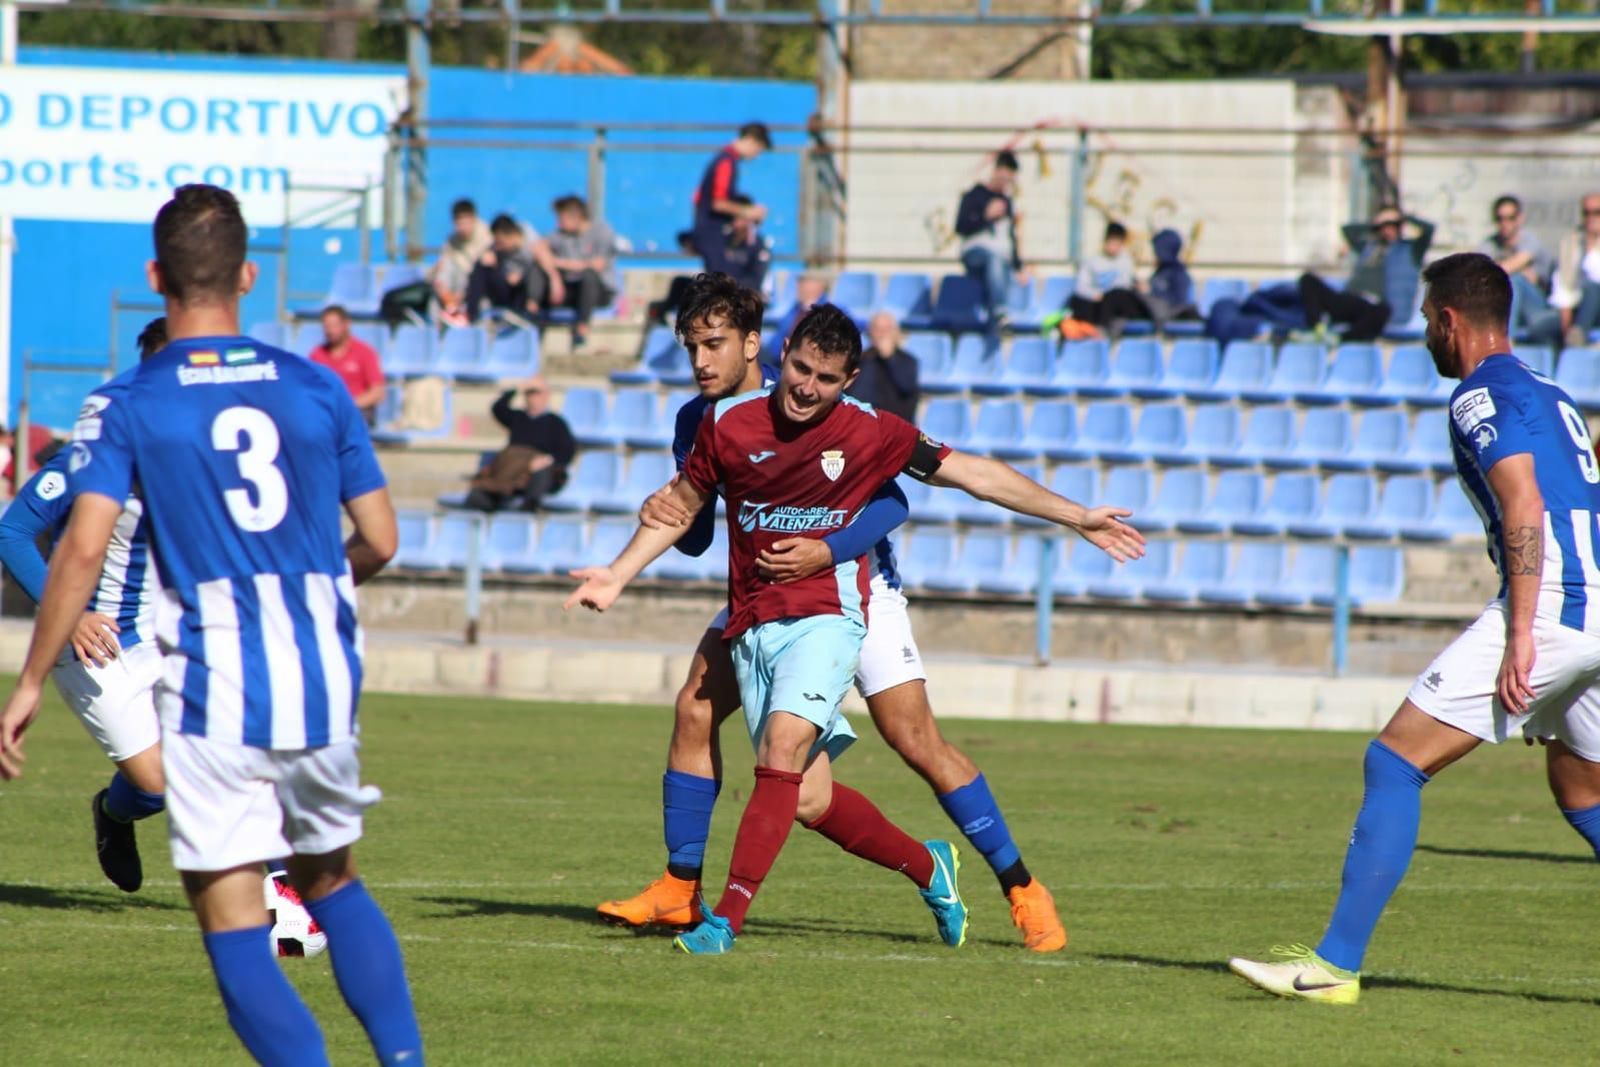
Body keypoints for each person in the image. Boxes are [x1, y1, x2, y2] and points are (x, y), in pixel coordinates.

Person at [573, 299, 1145, 955]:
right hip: (763, 594)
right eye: (692, 346)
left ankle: (1022, 886)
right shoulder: (707, 422)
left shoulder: (848, 420)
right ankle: (685, 885)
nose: (702, 360)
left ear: (752, 345)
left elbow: (916, 492)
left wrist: (1074, 515)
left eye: (715, 344)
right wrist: (632, 553)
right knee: (765, 763)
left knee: (913, 739)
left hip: (855, 591)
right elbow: (696, 528)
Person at [0, 184, 423, 1063]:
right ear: (250, 276)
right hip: (319, 658)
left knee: (233, 916)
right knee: (332, 880)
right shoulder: (315, 383)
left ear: (156, 275)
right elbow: (381, 538)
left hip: (211, 669)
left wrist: (31, 679)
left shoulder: (131, 402)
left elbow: (77, 549)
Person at [1229, 252, 1600, 1005]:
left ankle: (1332, 965)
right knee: (1580, 781)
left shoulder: (1478, 395)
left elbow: (1524, 505)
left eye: (1428, 320)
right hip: (1595, 603)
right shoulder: (1551, 389)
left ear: (1449, 320)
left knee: (1395, 760)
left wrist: (1525, 633)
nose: (1424, 333)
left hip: (1555, 606)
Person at [0, 317, 168, 894]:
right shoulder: (95, 452)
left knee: (233, 759)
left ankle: (282, 898)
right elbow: (13, 530)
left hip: (170, 632)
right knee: (157, 786)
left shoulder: (201, 450)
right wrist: (68, 614)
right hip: (93, 643)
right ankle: (115, 814)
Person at [1299, 204, 1434, 342]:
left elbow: (1429, 229)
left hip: (1377, 306)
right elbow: (1348, 231)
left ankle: (1340, 339)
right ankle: (1317, 329)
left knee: (1381, 312)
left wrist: (1404, 217)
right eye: (1384, 226)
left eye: (1392, 225)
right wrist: (1375, 224)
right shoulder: (1369, 247)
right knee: (1308, 280)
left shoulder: (1411, 250)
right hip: (1351, 300)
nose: (1387, 229)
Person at [464, 376, 576, 513]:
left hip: (537, 471)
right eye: (528, 392)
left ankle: (528, 512)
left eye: (536, 392)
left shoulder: (556, 423)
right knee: (482, 492)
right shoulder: (518, 418)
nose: (532, 397)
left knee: (541, 474)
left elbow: (567, 451)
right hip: (514, 467)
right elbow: (498, 408)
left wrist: (547, 460)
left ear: (546, 395)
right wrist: (516, 389)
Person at [956, 150, 1027, 331]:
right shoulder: (974, 195)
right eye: (1004, 177)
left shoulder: (1007, 202)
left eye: (1009, 180)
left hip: (1000, 255)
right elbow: (961, 227)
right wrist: (985, 216)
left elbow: (1011, 237)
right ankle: (1001, 312)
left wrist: (1019, 267)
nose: (1006, 183)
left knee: (1002, 263)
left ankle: (996, 322)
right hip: (975, 251)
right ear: (996, 171)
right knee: (994, 258)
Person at [691, 122, 771, 277]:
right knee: (723, 284)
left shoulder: (723, 159)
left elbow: (698, 197)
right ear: (750, 140)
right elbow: (718, 202)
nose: (757, 155)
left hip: (708, 231)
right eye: (758, 148)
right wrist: (748, 212)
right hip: (712, 232)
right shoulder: (727, 162)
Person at [1479, 194, 1558, 344]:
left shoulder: (1530, 241)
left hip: (1537, 308)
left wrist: (1504, 268)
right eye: (1500, 218)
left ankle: (1505, 341)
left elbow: (1505, 269)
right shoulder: (1489, 244)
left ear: (1520, 218)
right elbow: (1479, 274)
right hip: (1504, 306)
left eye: (1510, 218)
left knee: (1514, 281)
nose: (1505, 223)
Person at [543, 195, 617, 348]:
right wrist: (554, 277)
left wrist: (560, 262)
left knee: (589, 277)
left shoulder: (602, 231)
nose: (558, 223)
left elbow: (597, 265)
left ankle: (582, 326)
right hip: (572, 288)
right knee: (538, 273)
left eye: (561, 219)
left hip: (599, 291)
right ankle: (531, 316)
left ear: (576, 217)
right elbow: (538, 247)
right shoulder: (560, 235)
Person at [465, 213, 563, 324]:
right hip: (506, 288)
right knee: (481, 265)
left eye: (500, 242)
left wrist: (555, 281)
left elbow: (546, 263)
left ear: (510, 235)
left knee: (535, 270)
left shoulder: (531, 243)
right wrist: (490, 259)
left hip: (525, 290)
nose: (498, 246)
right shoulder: (497, 248)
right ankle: (471, 316)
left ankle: (530, 311)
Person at [308, 305, 385, 423]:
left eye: (335, 325)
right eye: (327, 326)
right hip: (327, 412)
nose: (331, 331)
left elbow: (377, 392)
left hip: (357, 412)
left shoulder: (364, 352)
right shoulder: (317, 354)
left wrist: (349, 406)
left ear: (346, 324)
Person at [1069, 221, 1152, 330]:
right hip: (1100, 302)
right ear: (1105, 242)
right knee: (1077, 302)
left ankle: (1103, 329)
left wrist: (1142, 287)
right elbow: (1080, 287)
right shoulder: (1092, 262)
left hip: (1120, 304)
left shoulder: (1126, 262)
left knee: (1117, 295)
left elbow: (1127, 286)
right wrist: (1096, 294)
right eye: (1112, 243)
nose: (1114, 247)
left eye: (1118, 244)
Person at [846, 311, 919, 422]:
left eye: (886, 329)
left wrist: (889, 358)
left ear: (895, 333)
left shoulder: (907, 361)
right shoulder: (861, 359)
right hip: (860, 421)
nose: (881, 334)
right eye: (877, 329)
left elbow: (906, 387)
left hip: (892, 424)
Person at [432, 198, 493, 324]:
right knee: (443, 269)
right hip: (455, 289)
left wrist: (464, 293)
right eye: (459, 224)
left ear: (474, 219)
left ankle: (462, 319)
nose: (463, 228)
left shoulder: (488, 237)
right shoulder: (452, 240)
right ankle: (446, 320)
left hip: (479, 290)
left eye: (466, 223)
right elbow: (443, 266)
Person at [1551, 191, 1600, 348]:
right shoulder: (1571, 243)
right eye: (1586, 213)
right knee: (1540, 328)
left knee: (1592, 287)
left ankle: (1577, 337)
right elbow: (1563, 283)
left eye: (1597, 212)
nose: (1591, 218)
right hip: (1573, 308)